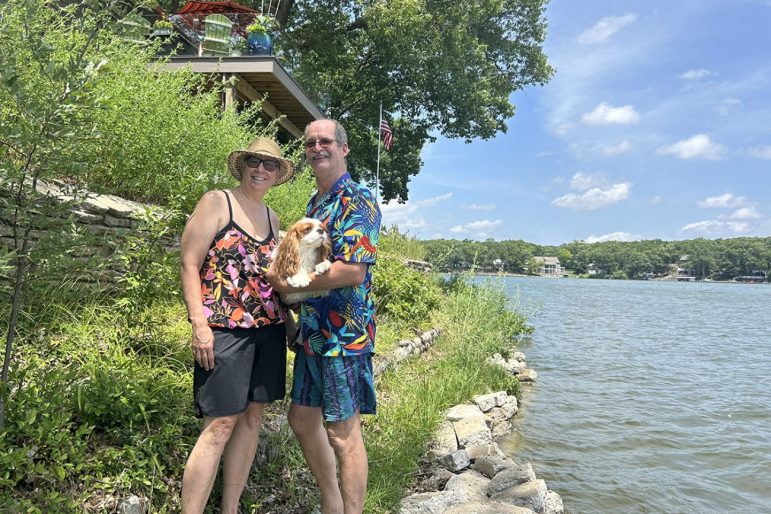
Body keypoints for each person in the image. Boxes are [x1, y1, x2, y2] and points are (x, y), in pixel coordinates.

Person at [267, 119, 381, 514]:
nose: (317, 147)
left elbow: (353, 271)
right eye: (310, 142)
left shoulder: (358, 198)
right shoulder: (315, 203)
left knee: (343, 434)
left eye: (325, 141)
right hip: (312, 334)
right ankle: (332, 503)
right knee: (301, 420)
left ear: (343, 148)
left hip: (343, 336)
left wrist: (288, 284)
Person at [179, 136, 295, 514]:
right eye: (254, 161)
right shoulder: (217, 202)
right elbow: (189, 263)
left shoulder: (273, 218)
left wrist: (290, 321)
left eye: (269, 164)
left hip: (269, 331)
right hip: (224, 329)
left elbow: (271, 282)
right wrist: (199, 325)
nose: (260, 169)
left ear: (277, 174)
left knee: (252, 418)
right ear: (243, 165)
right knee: (219, 425)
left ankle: (230, 508)